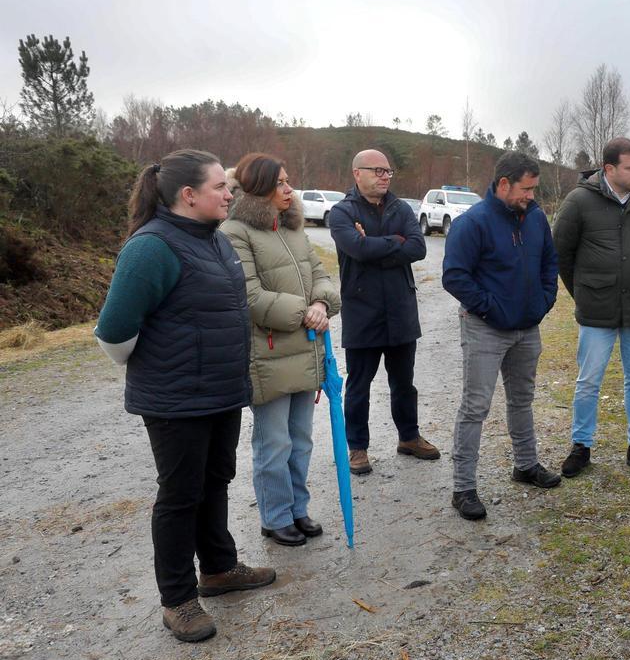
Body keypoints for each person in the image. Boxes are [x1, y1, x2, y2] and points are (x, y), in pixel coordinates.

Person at [95, 149, 275, 643]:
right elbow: (114, 332)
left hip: (219, 391)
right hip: (174, 400)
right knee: (179, 496)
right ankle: (177, 599)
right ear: (188, 195)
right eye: (220, 186)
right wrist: (161, 370)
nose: (229, 192)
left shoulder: (213, 239)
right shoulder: (151, 247)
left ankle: (217, 568)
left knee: (216, 479)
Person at [220, 153, 341, 547]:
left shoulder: (293, 229)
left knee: (301, 438)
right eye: (280, 184)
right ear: (259, 190)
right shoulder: (235, 232)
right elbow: (249, 295)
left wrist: (322, 304)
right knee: (274, 442)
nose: (289, 190)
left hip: (306, 350)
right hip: (268, 353)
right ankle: (274, 516)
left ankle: (297, 509)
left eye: (289, 182)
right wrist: (304, 312)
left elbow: (321, 274)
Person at [441, 152, 562, 520]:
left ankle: (525, 466)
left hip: (527, 329)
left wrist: (543, 301)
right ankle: (463, 488)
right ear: (504, 184)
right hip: (485, 330)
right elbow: (455, 276)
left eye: (534, 188)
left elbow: (549, 264)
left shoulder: (536, 218)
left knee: (522, 400)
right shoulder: (473, 223)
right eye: (526, 188)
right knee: (475, 407)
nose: (531, 195)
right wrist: (490, 308)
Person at [553, 137, 630, 477]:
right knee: (589, 381)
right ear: (609, 169)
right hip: (596, 308)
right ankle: (581, 446)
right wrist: (584, 294)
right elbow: (562, 254)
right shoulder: (578, 202)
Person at [329, 149, 437, 475]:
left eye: (388, 171)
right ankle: (358, 449)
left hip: (401, 310)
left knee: (404, 383)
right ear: (357, 173)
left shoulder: (401, 207)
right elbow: (357, 249)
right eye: (377, 171)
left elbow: (418, 248)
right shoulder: (341, 213)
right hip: (363, 312)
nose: (385, 176)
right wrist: (395, 242)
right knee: (359, 386)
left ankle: (409, 437)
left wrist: (375, 244)